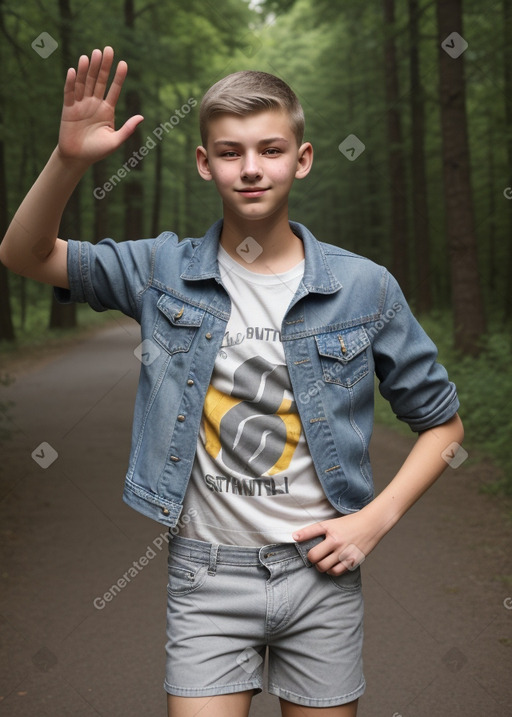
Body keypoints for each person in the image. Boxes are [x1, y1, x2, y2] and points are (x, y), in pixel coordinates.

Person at [0, 47, 464, 717]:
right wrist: (69, 161)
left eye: (271, 149)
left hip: (322, 578)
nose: (251, 168)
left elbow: (443, 426)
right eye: (230, 151)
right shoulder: (161, 268)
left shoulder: (364, 287)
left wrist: (372, 523)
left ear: (301, 160)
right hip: (206, 577)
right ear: (203, 161)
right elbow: (23, 253)